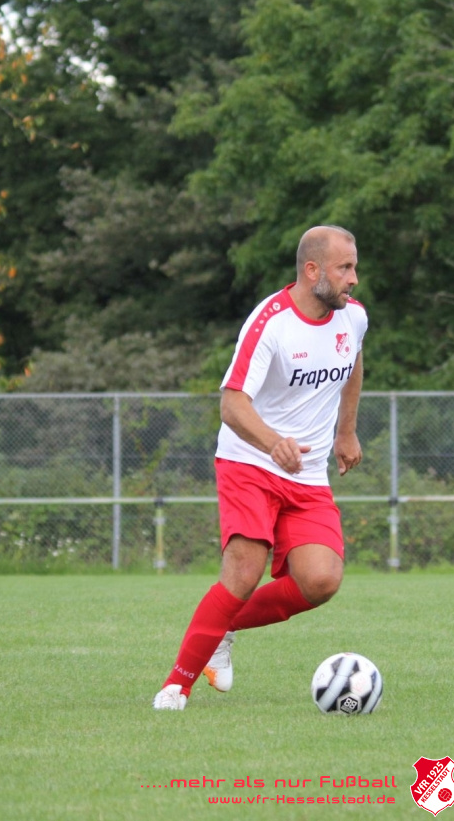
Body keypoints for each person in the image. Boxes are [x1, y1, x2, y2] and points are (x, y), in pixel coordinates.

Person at [153, 225, 367, 710]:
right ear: (312, 271)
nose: (353, 278)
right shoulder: (271, 322)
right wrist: (273, 444)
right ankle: (175, 687)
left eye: (354, 267)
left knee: (321, 580)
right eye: (344, 268)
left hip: (306, 474)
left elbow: (353, 364)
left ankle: (221, 629)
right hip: (250, 460)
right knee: (244, 573)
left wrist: (346, 432)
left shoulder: (353, 318)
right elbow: (232, 404)